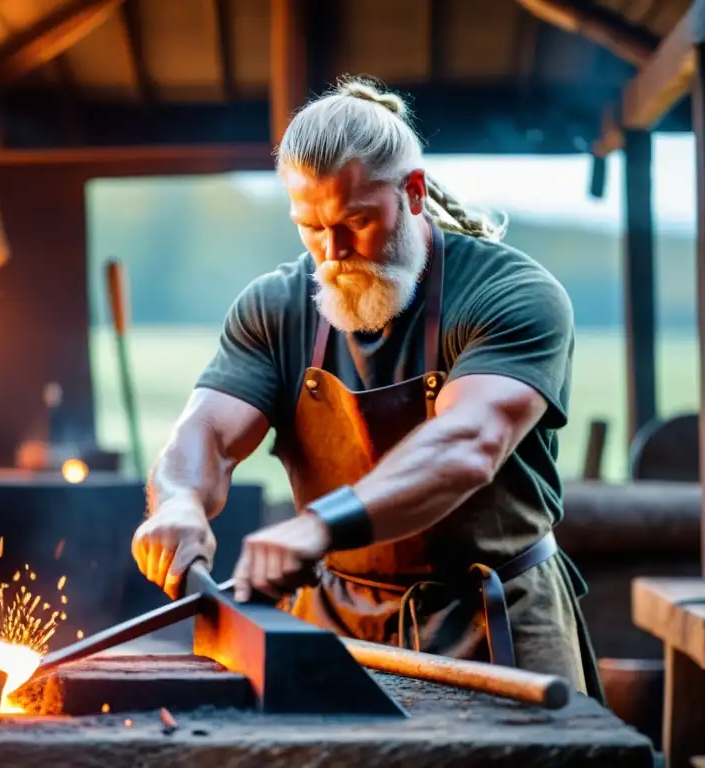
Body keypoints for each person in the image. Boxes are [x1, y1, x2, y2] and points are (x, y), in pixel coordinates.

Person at [131, 76, 604, 702]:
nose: (333, 253)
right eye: (311, 227)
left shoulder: (513, 294)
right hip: (332, 627)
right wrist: (179, 502)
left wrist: (319, 527)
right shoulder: (275, 307)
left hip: (496, 619)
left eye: (356, 221)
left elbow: (468, 443)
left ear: (412, 192)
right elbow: (208, 431)